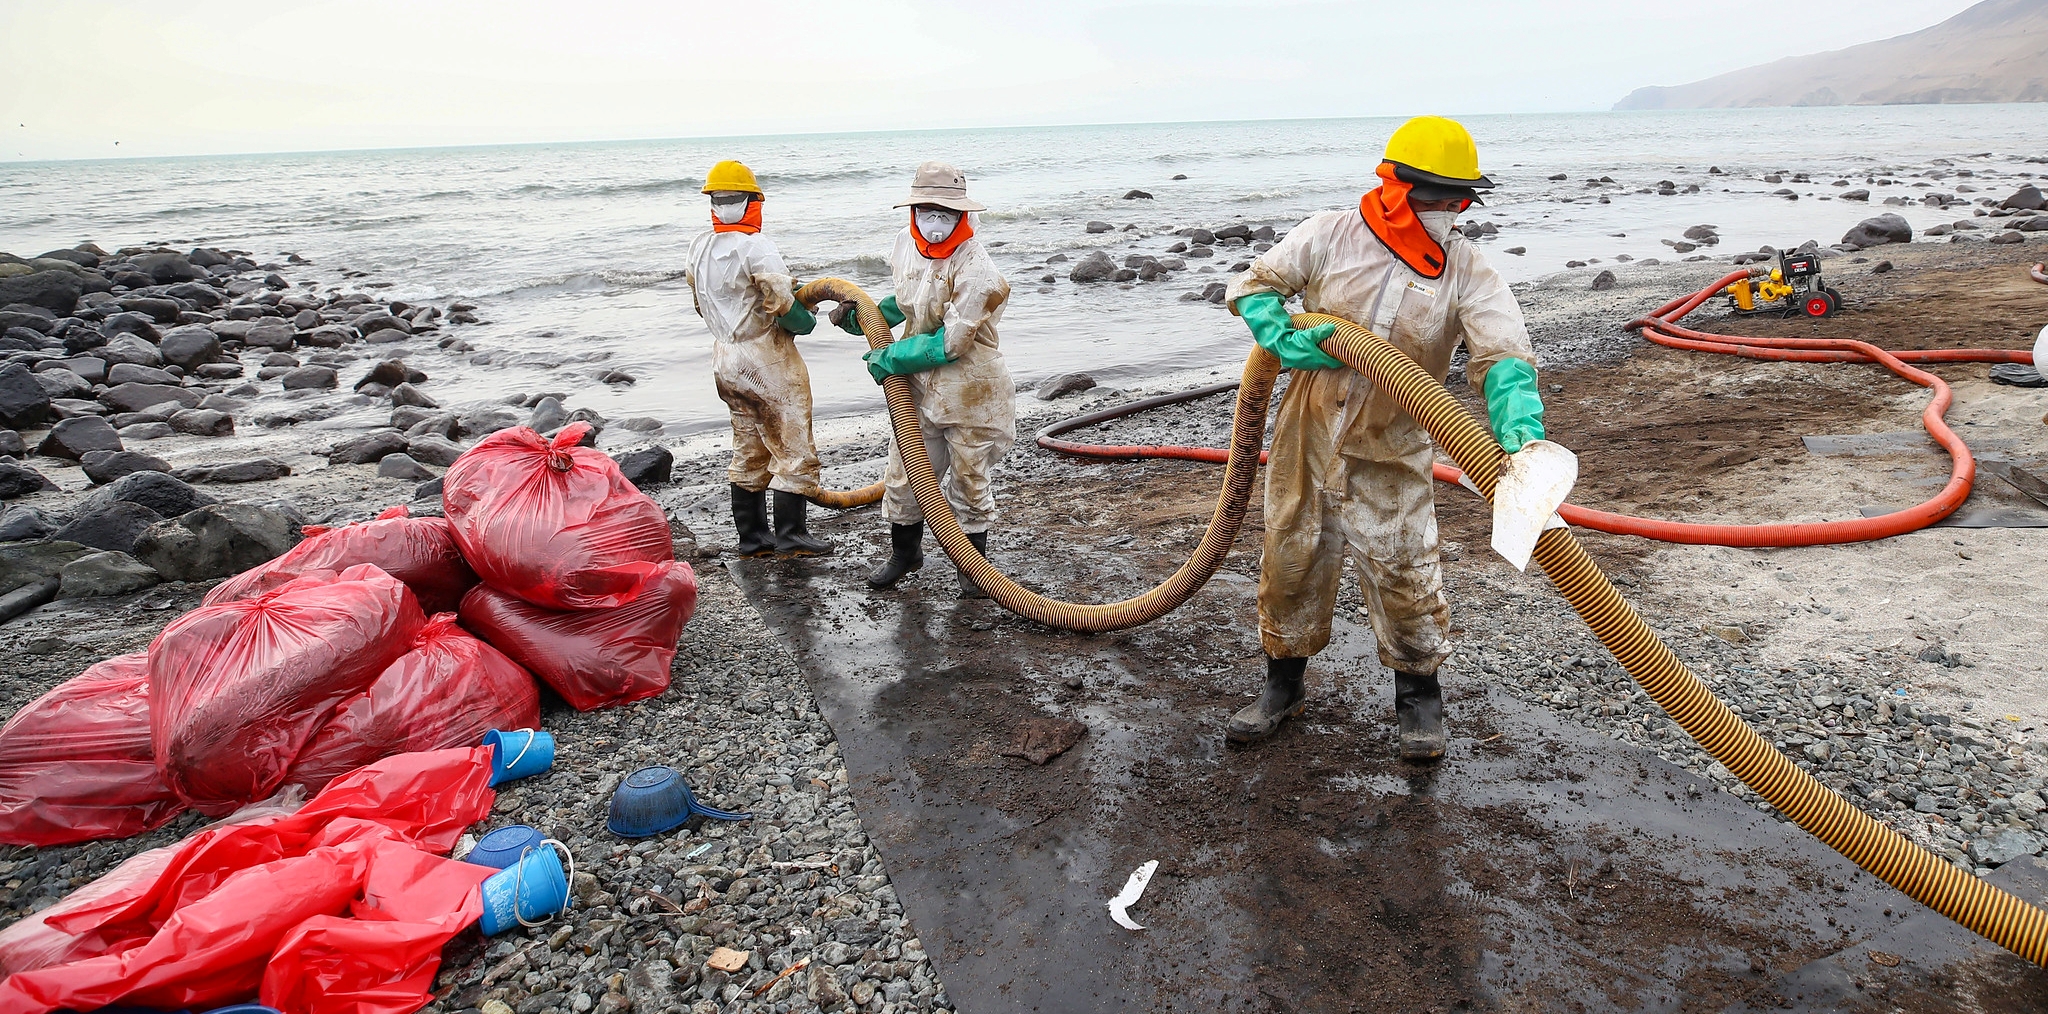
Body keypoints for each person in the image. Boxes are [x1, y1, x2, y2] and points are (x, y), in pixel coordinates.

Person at [1220, 116, 1551, 760]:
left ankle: (1419, 698)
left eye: (1457, 200)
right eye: (1435, 198)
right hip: (1308, 431)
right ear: (1397, 187)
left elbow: (1503, 354)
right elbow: (1257, 285)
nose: (1447, 212)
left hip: (1395, 439)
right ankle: (1282, 687)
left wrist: (1520, 435)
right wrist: (1280, 333)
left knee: (1405, 566)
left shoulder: (1466, 270)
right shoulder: (1330, 235)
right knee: (1292, 555)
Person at [830, 161, 1016, 598]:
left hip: (971, 387)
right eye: (926, 211)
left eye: (945, 213)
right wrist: (864, 317)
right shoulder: (903, 245)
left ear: (961, 215)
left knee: (969, 480)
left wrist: (891, 355)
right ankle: (906, 555)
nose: (935, 222)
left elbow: (954, 341)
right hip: (918, 383)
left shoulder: (978, 269)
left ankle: (975, 572)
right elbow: (909, 299)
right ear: (912, 211)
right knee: (908, 471)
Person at [684, 159, 832, 558]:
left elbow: (701, 302)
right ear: (754, 202)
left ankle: (752, 538)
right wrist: (806, 320)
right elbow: (784, 304)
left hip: (726, 358)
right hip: (766, 359)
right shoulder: (756, 245)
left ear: (713, 202)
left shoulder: (699, 246)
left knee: (748, 443)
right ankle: (791, 534)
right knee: (792, 444)